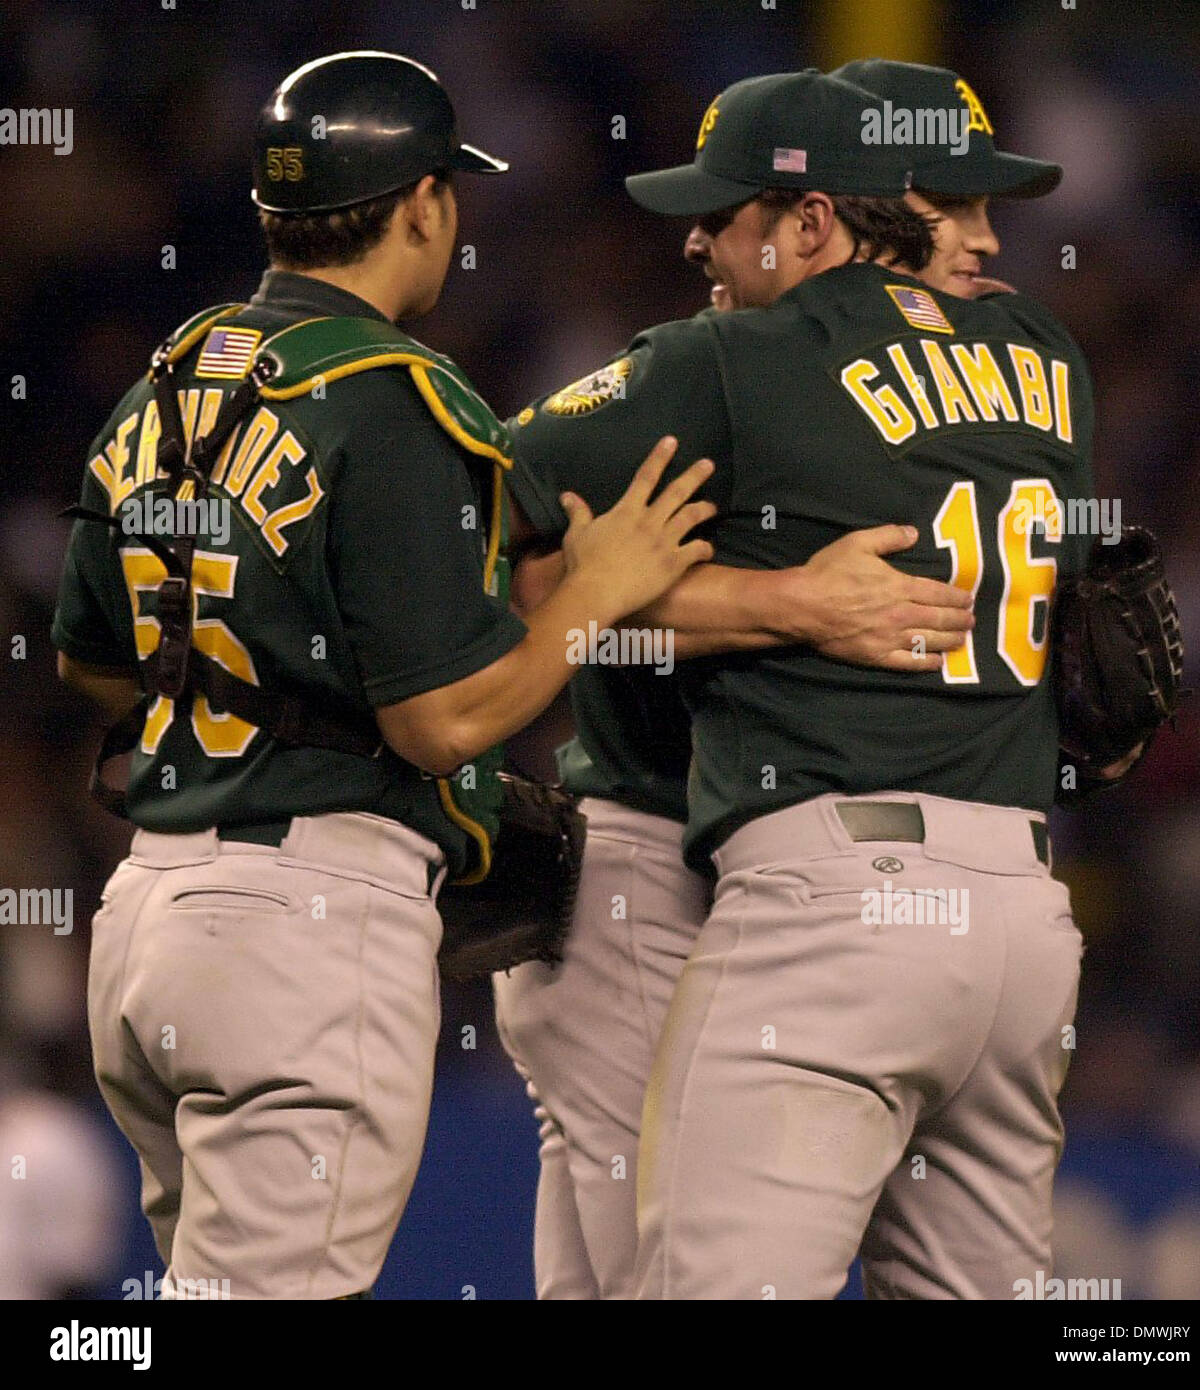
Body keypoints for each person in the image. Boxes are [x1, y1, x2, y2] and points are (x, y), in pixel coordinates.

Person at [50, 50, 713, 1301]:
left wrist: (252, 685)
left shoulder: (164, 383)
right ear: (421, 203)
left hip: (145, 920)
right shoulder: (394, 399)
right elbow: (444, 722)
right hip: (299, 930)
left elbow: (94, 662)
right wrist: (596, 592)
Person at [493, 64, 1067, 1299]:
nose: (983, 236)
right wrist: (781, 603)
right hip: (656, 870)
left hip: (798, 887)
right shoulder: (1036, 352)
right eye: (957, 208)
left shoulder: (739, 366)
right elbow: (511, 570)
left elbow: (477, 509)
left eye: (730, 207)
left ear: (817, 218)